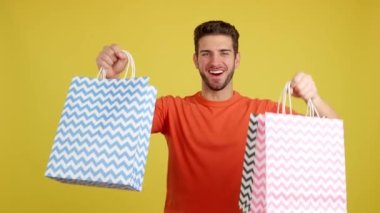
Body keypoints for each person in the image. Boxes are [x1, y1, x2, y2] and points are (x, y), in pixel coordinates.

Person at [96, 20, 339, 213]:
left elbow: (330, 136)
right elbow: (116, 123)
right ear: (195, 60)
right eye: (206, 53)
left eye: (224, 52)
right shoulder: (171, 109)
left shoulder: (263, 112)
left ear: (237, 59)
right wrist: (110, 79)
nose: (215, 61)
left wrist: (313, 98)